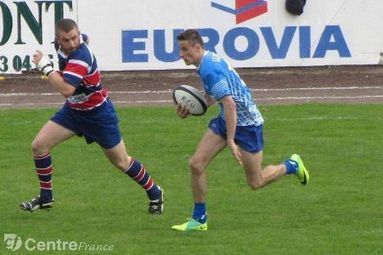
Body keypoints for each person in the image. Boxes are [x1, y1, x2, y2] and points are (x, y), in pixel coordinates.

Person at [19, 19, 164, 215]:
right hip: (74, 112)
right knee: (39, 146)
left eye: (75, 38)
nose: (72, 43)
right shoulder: (65, 46)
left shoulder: (81, 56)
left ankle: (155, 192)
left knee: (121, 161)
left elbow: (66, 89)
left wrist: (46, 67)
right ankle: (46, 198)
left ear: (78, 35)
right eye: (67, 40)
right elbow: (83, 41)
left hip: (98, 114)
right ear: (58, 39)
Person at [171, 29, 309, 231]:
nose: (181, 55)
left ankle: (292, 165)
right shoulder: (205, 62)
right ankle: (199, 220)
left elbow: (230, 104)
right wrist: (193, 109)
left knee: (256, 182)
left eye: (184, 49)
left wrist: (230, 140)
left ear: (197, 47)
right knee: (196, 164)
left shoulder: (209, 69)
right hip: (227, 119)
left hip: (248, 125)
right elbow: (217, 97)